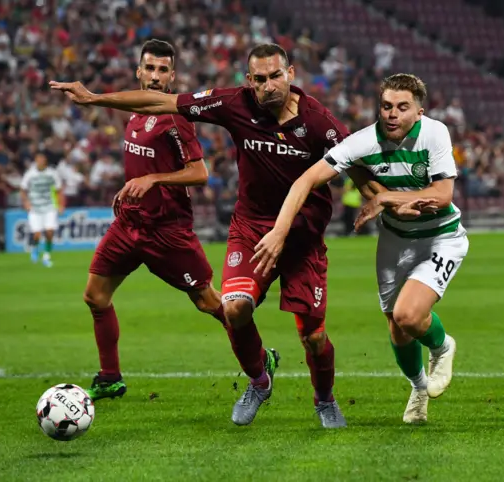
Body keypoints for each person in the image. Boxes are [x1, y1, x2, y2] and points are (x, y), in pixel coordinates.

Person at [52, 43, 377, 428]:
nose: (268, 85)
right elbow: (162, 103)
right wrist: (94, 98)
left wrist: (375, 196)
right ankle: (259, 381)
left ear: (290, 74)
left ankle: (325, 400)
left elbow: (351, 158)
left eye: (275, 76)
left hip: (301, 238)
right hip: (252, 227)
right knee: (235, 308)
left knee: (313, 338)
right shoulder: (233, 103)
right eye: (259, 79)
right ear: (248, 81)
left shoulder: (319, 121)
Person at [251, 73, 468, 424]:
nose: (392, 114)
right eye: (386, 106)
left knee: (408, 315)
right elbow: (306, 179)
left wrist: (384, 197)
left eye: (402, 107)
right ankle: (417, 387)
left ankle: (443, 347)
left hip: (439, 237)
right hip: (395, 241)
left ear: (419, 111)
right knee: (397, 328)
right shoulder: (362, 142)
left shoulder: (434, 133)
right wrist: (279, 230)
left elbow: (443, 196)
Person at [76, 40, 226, 401]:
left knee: (207, 302)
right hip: (129, 224)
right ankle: (110, 377)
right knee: (96, 297)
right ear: (138, 72)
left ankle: (259, 356)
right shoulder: (134, 111)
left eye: (163, 70)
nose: (156, 76)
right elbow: (144, 164)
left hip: (167, 231)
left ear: (172, 76)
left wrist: (153, 180)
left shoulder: (175, 118)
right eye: (150, 68)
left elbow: (200, 173)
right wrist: (133, 186)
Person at [20, 152, 64, 267]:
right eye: (38, 159)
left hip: (49, 206)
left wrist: (61, 204)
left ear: (45, 161)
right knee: (37, 234)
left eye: (42, 159)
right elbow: (23, 189)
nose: (40, 161)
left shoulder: (52, 173)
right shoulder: (30, 174)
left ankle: (46, 256)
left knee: (49, 232)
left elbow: (59, 189)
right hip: (35, 208)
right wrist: (26, 203)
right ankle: (35, 248)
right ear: (35, 160)